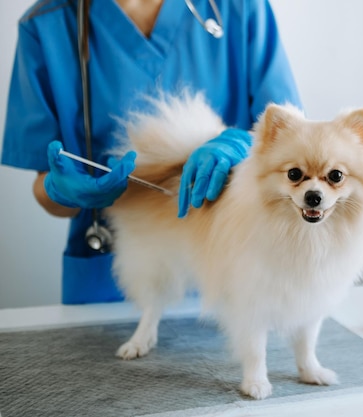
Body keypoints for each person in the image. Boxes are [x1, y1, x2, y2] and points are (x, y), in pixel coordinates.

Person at [1, 0, 302, 304]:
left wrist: (240, 145)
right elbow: (45, 187)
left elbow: (293, 142)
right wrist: (60, 191)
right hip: (111, 268)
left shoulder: (241, 8)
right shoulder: (46, 24)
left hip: (231, 263)